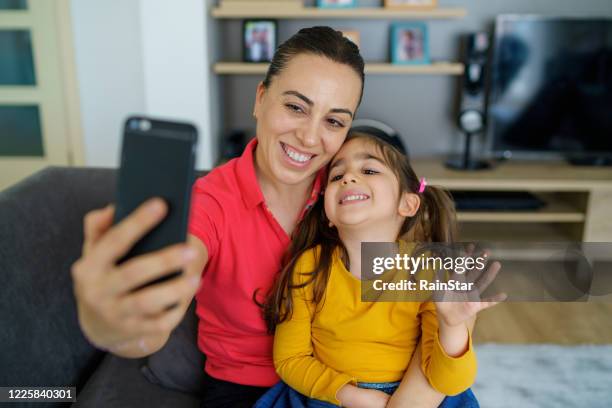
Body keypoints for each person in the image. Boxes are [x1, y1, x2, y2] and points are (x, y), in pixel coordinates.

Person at [71, 27, 445, 408]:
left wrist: (414, 395)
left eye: (334, 121)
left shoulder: (348, 190)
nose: (309, 137)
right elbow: (162, 300)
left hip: (359, 380)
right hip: (247, 391)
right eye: (296, 107)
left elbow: (433, 294)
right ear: (261, 99)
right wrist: (116, 324)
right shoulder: (210, 203)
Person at [257, 132, 505, 407]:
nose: (348, 178)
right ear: (327, 213)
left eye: (369, 169)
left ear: (407, 204)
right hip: (331, 394)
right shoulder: (309, 267)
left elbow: (449, 383)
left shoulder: (428, 272)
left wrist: (453, 327)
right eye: (337, 176)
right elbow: (290, 359)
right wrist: (355, 397)